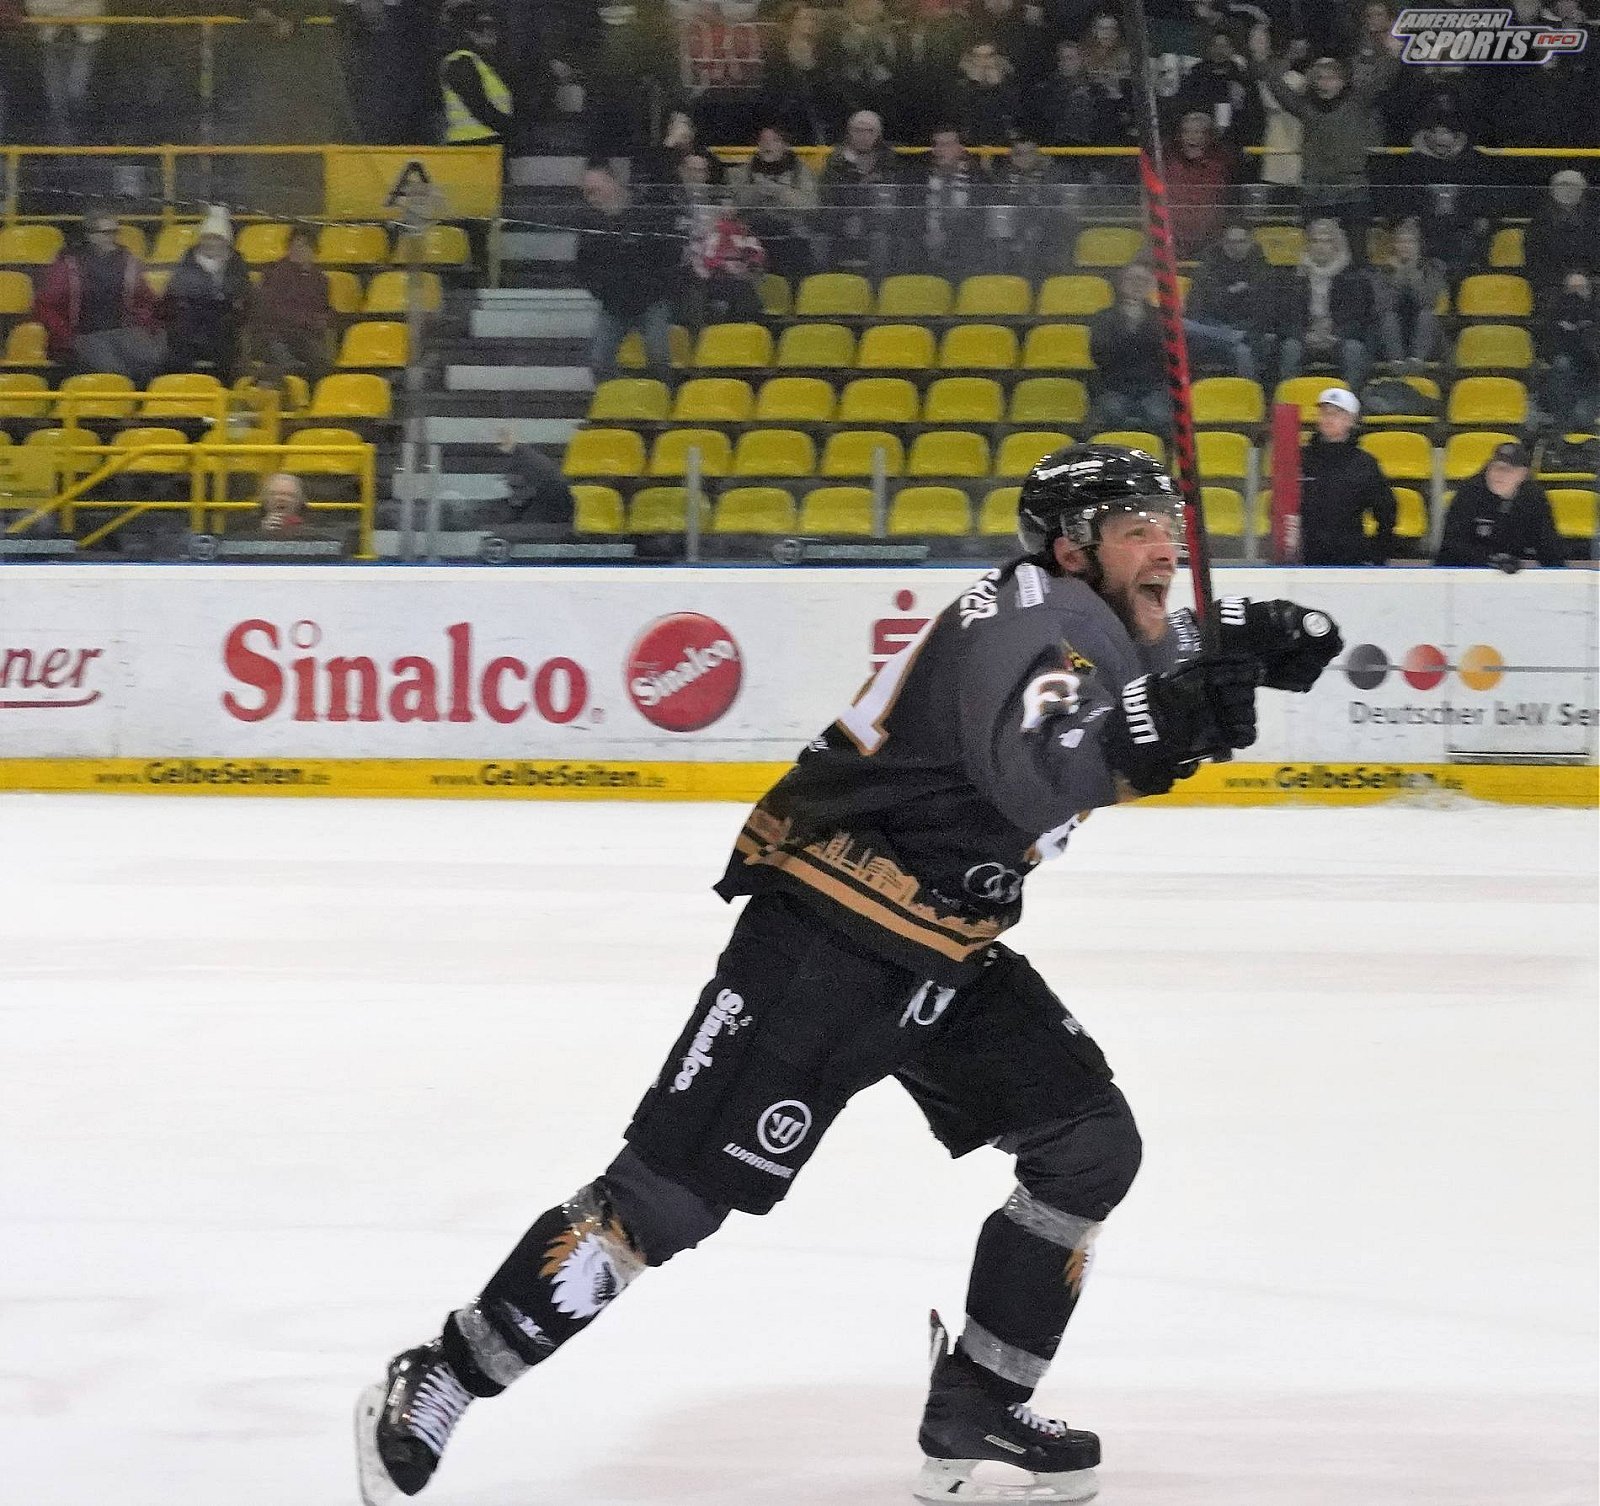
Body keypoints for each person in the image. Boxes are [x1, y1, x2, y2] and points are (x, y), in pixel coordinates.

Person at [353, 442, 1343, 1506]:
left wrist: (1249, 637)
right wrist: (1164, 729)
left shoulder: (1084, 613)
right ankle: (445, 1373)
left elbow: (1158, 649)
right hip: (828, 939)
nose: (1166, 549)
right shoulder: (1036, 625)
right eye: (1137, 530)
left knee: (1087, 1144)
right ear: (1070, 548)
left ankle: (978, 1407)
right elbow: (1036, 775)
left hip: (944, 948)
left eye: (1170, 528)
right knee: (666, 1200)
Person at [34, 205, 163, 385]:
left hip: (123, 332)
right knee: (115, 371)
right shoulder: (68, 264)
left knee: (152, 361)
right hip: (83, 335)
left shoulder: (128, 262)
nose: (112, 237)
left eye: (115, 232)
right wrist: (66, 336)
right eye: (106, 232)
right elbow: (45, 305)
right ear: (90, 235)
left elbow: (146, 300)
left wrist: (145, 329)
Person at [573, 168, 676, 381]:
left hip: (651, 300)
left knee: (659, 358)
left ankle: (663, 395)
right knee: (599, 362)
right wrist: (602, 291)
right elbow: (583, 265)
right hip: (614, 305)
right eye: (587, 193)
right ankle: (613, 397)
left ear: (612, 183)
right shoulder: (590, 223)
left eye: (595, 190)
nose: (591, 197)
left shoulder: (645, 212)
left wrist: (656, 285)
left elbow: (666, 253)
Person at [1297, 388, 1397, 565]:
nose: (1329, 418)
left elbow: (1386, 511)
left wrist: (1378, 554)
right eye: (1325, 412)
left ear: (1351, 420)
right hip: (1304, 557)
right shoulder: (1300, 458)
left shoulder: (1364, 464)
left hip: (1350, 558)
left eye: (1337, 413)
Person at [1436, 441, 1566, 570]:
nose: (1498, 475)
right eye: (1495, 468)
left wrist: (1560, 576)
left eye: (1507, 470)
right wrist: (1491, 560)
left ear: (1522, 474)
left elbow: (1548, 545)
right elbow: (1452, 544)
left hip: (1511, 570)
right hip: (1462, 570)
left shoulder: (1534, 498)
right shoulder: (1469, 492)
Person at [1278, 218, 1372, 393]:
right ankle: (1288, 403)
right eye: (1315, 241)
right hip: (1305, 338)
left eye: (1327, 241)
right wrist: (1305, 335)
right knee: (1290, 348)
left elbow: (1358, 319)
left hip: (1337, 338)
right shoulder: (1295, 278)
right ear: (1308, 246)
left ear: (1336, 245)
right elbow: (1285, 319)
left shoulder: (1351, 278)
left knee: (1354, 349)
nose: (1320, 246)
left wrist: (1336, 335)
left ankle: (1350, 403)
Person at [161, 204, 252, 385]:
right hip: (189, 329)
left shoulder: (237, 265)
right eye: (207, 238)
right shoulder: (187, 263)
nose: (211, 243)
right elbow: (172, 296)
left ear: (226, 241)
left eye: (216, 238)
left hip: (225, 330)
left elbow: (245, 298)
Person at [1187, 220, 1282, 379]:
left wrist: (1226, 294)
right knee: (1183, 324)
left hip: (1248, 331)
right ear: (1223, 243)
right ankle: (1230, 336)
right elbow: (1198, 304)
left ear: (1250, 243)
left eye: (1240, 242)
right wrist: (1233, 292)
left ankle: (1249, 392)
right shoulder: (1208, 267)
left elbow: (1264, 310)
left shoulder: (1263, 269)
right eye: (1230, 242)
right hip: (1211, 327)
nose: (1235, 246)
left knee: (1242, 351)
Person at [729, 124, 819, 284]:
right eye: (764, 140)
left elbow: (810, 204)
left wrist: (780, 192)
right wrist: (757, 191)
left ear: (785, 145)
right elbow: (735, 204)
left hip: (790, 236)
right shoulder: (741, 172)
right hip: (752, 236)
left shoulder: (801, 172)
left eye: (775, 140)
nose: (768, 145)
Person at [253, 224, 332, 387]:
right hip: (275, 335)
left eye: (303, 246)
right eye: (294, 246)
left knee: (321, 364)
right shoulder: (273, 274)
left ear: (314, 250)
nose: (298, 250)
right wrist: (307, 320)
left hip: (305, 336)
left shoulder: (321, 280)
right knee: (287, 364)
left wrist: (326, 318)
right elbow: (271, 309)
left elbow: (323, 309)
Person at [1367, 216, 1447, 370]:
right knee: (1388, 317)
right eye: (1401, 242)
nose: (1405, 246)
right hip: (1390, 333)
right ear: (1394, 245)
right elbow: (1382, 306)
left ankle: (1417, 361)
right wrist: (1398, 275)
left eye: (1410, 242)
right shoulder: (1382, 272)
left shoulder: (1433, 268)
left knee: (1427, 315)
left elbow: (1428, 302)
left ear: (1419, 245)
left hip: (1424, 333)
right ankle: (1396, 362)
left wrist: (1412, 274)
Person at [439, 5, 513, 145]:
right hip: (471, 144)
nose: (490, 35)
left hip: (486, 142)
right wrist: (511, 128)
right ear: (468, 32)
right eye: (481, 28)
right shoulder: (461, 61)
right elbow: (479, 106)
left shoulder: (481, 61)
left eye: (492, 28)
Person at [1539, 270, 1600, 433]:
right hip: (1565, 378)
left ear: (1589, 290)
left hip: (1593, 379)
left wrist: (1582, 332)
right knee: (1562, 364)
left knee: (1581, 417)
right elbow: (1548, 351)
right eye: (1572, 289)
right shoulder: (1554, 316)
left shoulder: (1596, 313)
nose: (1576, 294)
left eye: (1581, 288)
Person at [1523, 170, 1597, 292]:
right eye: (1562, 185)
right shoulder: (1540, 222)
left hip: (1591, 281)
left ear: (1582, 191)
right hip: (1552, 284)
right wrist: (1565, 279)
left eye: (1573, 186)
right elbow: (1534, 261)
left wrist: (1584, 276)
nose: (1568, 190)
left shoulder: (1594, 221)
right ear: (1552, 191)